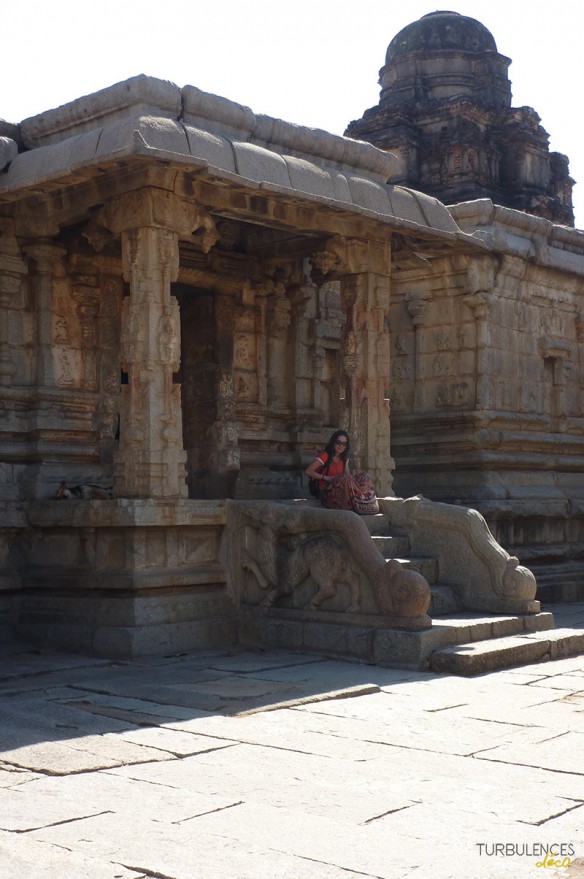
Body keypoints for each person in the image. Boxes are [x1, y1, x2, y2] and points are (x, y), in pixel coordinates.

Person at [305, 430, 379, 514]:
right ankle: (358, 502)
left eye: (344, 444)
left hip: (341, 491)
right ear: (333, 442)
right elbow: (308, 471)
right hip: (325, 491)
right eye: (338, 442)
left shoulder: (344, 458)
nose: (341, 446)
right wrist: (326, 478)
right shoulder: (325, 455)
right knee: (346, 478)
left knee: (364, 476)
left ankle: (365, 504)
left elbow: (348, 477)